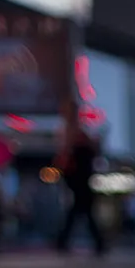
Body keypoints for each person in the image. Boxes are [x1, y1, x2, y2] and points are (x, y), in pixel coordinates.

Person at [54, 98, 106, 255]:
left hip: (80, 173)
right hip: (76, 174)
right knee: (82, 207)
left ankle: (64, 240)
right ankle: (96, 241)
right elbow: (66, 152)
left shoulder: (77, 130)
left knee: (79, 208)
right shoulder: (70, 131)